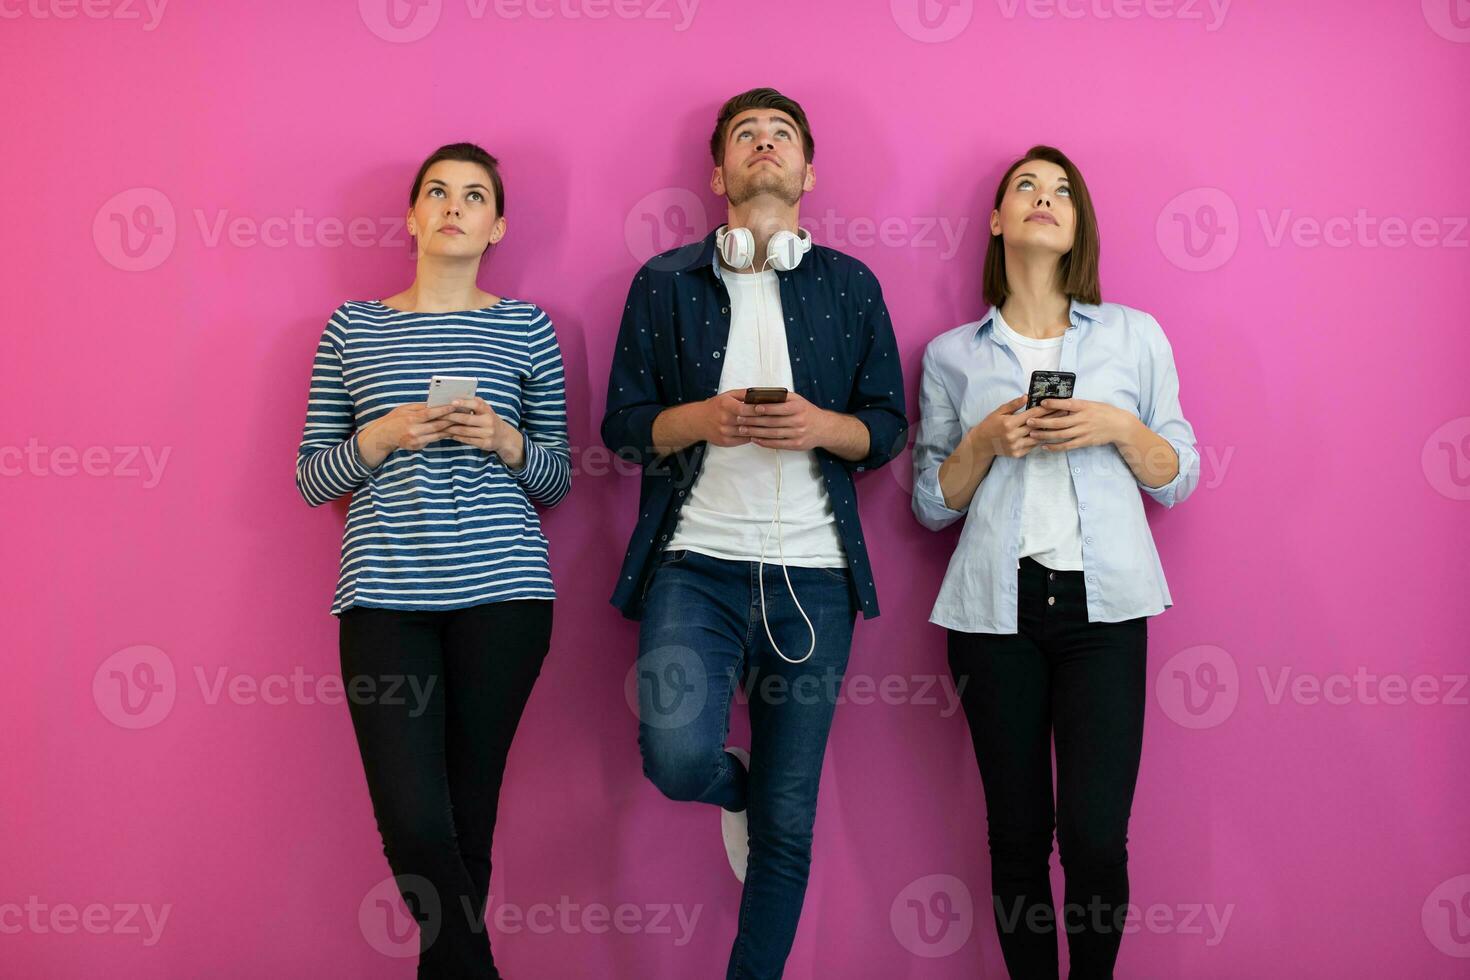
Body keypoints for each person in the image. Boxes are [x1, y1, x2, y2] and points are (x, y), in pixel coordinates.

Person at [601, 88, 907, 979]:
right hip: (693, 570)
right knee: (673, 756)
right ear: (719, 172)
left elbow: (887, 426)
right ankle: (731, 785)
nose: (764, 145)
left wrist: (823, 427)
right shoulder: (662, 282)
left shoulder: (852, 286)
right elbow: (623, 427)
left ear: (809, 171)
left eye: (782, 136)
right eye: (746, 135)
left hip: (815, 578)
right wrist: (699, 418)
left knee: (790, 820)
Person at [911, 145, 1200, 980]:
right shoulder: (951, 355)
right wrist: (983, 441)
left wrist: (1116, 426)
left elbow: (1179, 474)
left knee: (1095, 836)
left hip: (1105, 614)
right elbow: (931, 502)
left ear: (1078, 227)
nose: (1046, 198)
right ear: (998, 220)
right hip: (991, 619)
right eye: (1026, 188)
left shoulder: (1134, 336)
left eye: (1063, 191)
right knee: (1016, 838)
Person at [294, 142, 570, 978]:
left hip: (506, 599)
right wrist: (374, 439)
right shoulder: (353, 326)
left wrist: (507, 439)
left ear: (497, 226)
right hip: (382, 599)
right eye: (438, 193)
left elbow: (559, 478)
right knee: (416, 821)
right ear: (413, 217)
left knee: (466, 816)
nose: (455, 206)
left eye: (474, 196)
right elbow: (312, 478)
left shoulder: (527, 326)